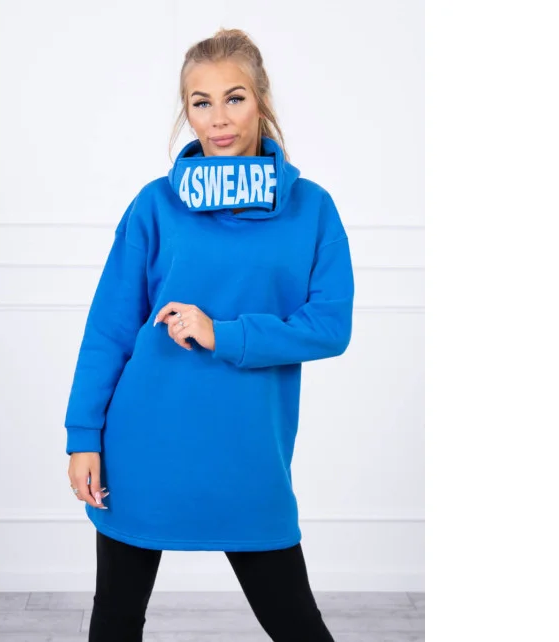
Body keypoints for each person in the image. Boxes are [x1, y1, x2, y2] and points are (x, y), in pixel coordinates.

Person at [64, 28, 354, 642]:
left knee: (296, 623)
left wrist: (224, 334)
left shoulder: (311, 208)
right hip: (142, 446)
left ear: (261, 100)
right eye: (201, 102)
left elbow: (329, 327)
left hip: (249, 453)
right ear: (186, 111)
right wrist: (83, 436)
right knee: (116, 618)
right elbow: (109, 330)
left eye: (234, 98)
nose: (218, 118)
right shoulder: (155, 205)